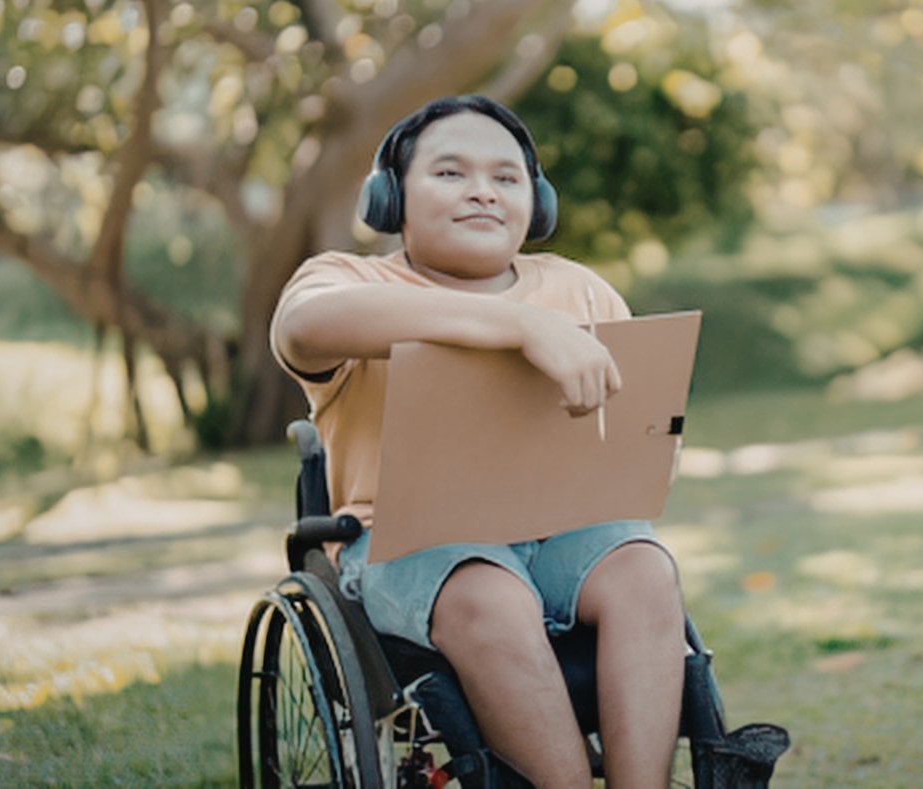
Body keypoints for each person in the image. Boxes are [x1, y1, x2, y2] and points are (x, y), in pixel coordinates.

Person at [270, 94, 685, 788]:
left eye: (506, 177)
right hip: (406, 543)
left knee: (645, 570)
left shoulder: (582, 290)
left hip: (563, 532)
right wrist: (518, 326)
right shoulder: (348, 279)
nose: (483, 193)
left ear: (536, 202)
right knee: (489, 593)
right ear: (391, 197)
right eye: (451, 173)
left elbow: (638, 434)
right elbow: (302, 329)